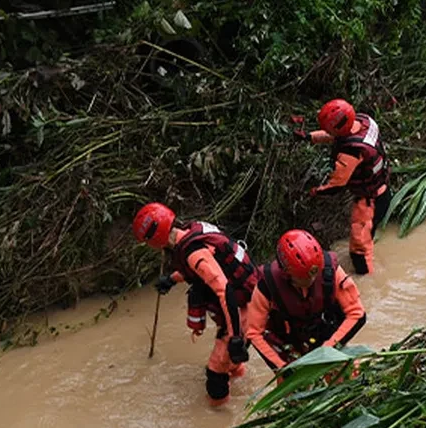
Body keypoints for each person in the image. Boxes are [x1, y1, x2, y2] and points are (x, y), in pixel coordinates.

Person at [133, 202, 258, 406]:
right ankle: (242, 385)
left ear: (154, 239)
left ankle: (219, 419)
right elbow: (203, 269)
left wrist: (235, 338)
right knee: (230, 364)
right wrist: (173, 279)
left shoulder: (192, 251)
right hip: (248, 303)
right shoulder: (192, 230)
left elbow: (224, 289)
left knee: (215, 375)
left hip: (241, 312)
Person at [244, 229, 366, 373]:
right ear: (286, 274)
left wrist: (328, 349)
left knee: (350, 379)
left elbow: (357, 314)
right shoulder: (267, 286)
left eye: (314, 275)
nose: (312, 280)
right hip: (290, 349)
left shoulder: (329, 271)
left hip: (329, 340)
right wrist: (282, 367)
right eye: (304, 278)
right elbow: (254, 333)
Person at [292, 99, 391, 275]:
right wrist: (310, 137)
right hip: (382, 190)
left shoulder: (351, 152)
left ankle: (367, 280)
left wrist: (314, 192)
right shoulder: (363, 121)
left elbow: (336, 186)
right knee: (367, 235)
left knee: (359, 248)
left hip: (369, 203)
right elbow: (338, 134)